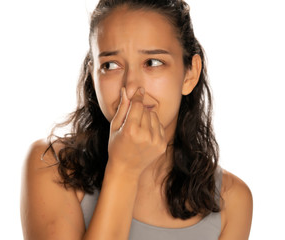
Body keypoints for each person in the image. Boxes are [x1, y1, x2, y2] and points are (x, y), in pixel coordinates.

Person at [20, 0, 253, 239]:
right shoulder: (52, 166)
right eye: (111, 65)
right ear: (93, 76)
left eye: (153, 63)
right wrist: (123, 170)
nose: (131, 87)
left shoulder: (232, 200)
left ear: (189, 74)